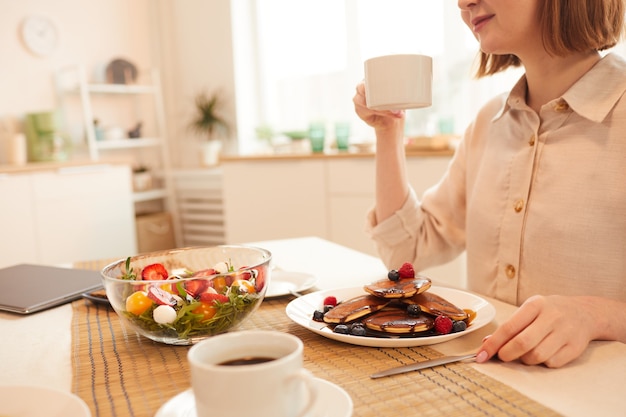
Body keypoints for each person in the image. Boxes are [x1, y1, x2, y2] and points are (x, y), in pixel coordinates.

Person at [353, 0, 626, 368]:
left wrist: (597, 316)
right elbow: (409, 252)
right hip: (487, 379)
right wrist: (388, 131)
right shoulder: (488, 123)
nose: (464, 3)